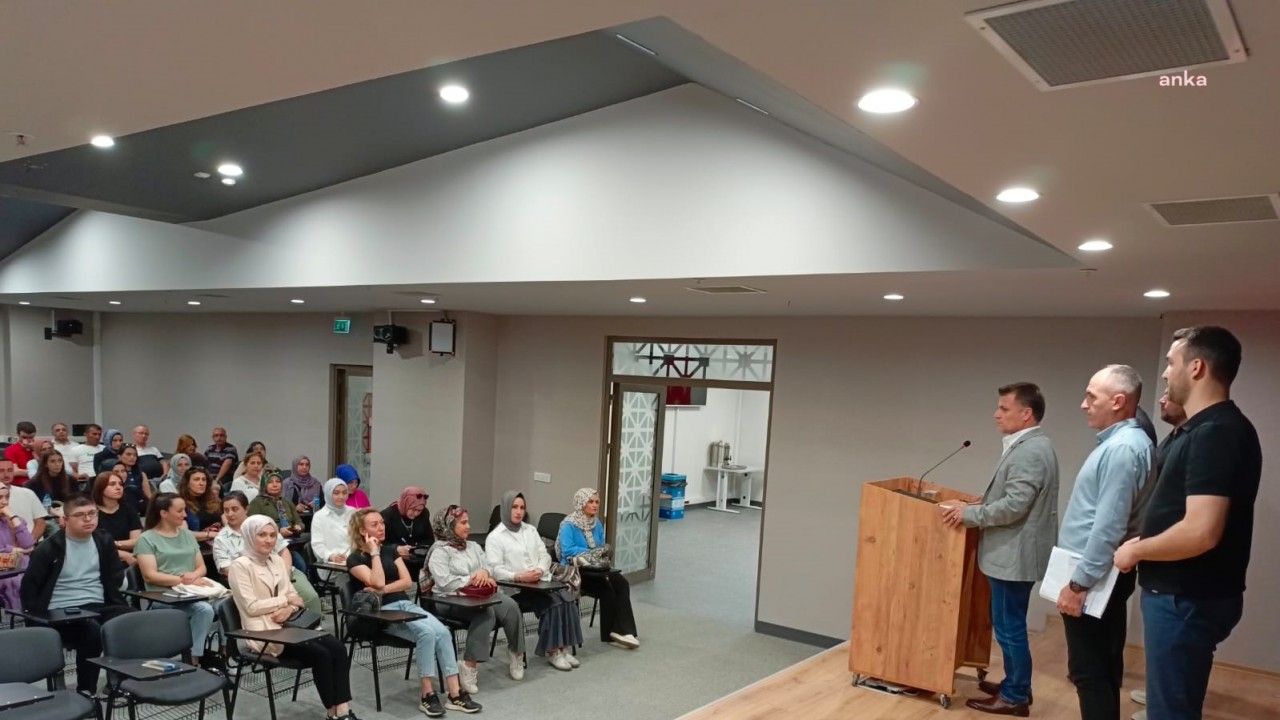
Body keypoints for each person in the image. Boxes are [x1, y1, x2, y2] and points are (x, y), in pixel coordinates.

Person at [1113, 327, 1261, 720]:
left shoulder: (1216, 432)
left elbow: (1201, 531)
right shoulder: (1198, 429)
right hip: (1183, 595)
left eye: (1171, 363)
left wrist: (1136, 551)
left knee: (1171, 712)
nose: (1165, 373)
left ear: (1196, 368)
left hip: (1185, 597)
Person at [939, 382, 1058, 716]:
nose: (996, 414)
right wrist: (979, 503)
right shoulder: (1031, 445)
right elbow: (1013, 498)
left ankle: (1016, 695)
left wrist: (969, 514)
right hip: (1013, 553)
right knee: (1008, 623)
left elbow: (1015, 507)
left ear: (1026, 414)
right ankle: (1015, 684)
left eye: (1004, 409)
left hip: (1013, 556)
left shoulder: (1030, 451)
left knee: (1009, 627)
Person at [1052, 365, 1154, 720]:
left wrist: (1078, 584)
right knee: (1104, 667)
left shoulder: (1122, 449)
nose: (1084, 404)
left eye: (1091, 397)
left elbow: (1108, 526)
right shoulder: (1128, 443)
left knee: (1089, 671)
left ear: (1118, 401)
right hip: (1104, 575)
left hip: (1095, 579)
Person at [347, 508, 480, 716]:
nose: (381, 527)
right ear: (362, 531)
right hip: (381, 613)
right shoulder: (355, 559)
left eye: (382, 523)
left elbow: (407, 582)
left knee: (443, 631)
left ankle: (455, 693)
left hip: (404, 604)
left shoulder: (390, 550)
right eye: (375, 525)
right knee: (426, 633)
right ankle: (427, 694)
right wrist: (374, 553)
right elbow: (377, 580)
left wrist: (383, 589)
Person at [228, 515, 358, 720]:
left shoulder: (277, 560)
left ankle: (342, 708)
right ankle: (333, 712)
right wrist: (284, 601)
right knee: (322, 655)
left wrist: (288, 608)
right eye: (262, 535)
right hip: (264, 632)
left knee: (338, 648)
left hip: (290, 623)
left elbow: (295, 597)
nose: (269, 540)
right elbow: (251, 607)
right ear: (250, 536)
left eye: (272, 535)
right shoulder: (240, 566)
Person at [18, 494, 135, 693]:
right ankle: (86, 690)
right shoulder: (48, 549)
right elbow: (29, 589)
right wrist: (36, 620)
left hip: (99, 603)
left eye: (92, 513)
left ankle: (117, 681)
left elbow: (115, 577)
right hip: (61, 611)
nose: (88, 519)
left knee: (130, 619)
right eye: (80, 515)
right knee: (91, 631)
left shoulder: (103, 541)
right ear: (65, 520)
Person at [425, 505, 525, 691]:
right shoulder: (439, 551)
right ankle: (469, 665)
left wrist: (484, 572)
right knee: (486, 613)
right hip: (449, 599)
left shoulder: (473, 546)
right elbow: (445, 583)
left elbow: (487, 566)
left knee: (511, 606)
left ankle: (516, 653)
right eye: (463, 523)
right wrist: (472, 578)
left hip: (479, 595)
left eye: (468, 522)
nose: (468, 526)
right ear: (449, 526)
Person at [485, 491, 583, 670]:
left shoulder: (530, 530)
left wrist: (540, 569)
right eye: (514, 507)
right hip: (515, 589)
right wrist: (518, 576)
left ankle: (563, 647)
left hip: (539, 582)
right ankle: (553, 651)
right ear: (506, 508)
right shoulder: (495, 537)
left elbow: (544, 555)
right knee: (553, 602)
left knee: (566, 596)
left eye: (522, 508)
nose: (518, 512)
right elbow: (494, 570)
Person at [135, 492, 219, 666]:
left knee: (227, 603)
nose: (185, 515)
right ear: (164, 513)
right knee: (204, 610)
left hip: (192, 592)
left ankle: (224, 653)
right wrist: (183, 580)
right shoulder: (146, 539)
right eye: (180, 511)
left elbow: (201, 567)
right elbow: (150, 575)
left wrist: (193, 576)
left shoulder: (187, 535)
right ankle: (194, 658)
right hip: (163, 596)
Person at [557, 487, 639, 649]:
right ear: (581, 503)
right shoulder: (568, 525)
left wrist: (598, 553)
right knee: (606, 586)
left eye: (597, 502)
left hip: (595, 567)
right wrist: (591, 553)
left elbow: (601, 547)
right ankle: (611, 633)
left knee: (621, 582)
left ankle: (625, 630)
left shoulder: (597, 524)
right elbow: (567, 550)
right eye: (590, 502)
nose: (595, 505)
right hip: (575, 570)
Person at [215, 493, 321, 614]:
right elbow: (227, 570)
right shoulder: (221, 539)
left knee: (310, 598)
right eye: (226, 510)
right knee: (275, 608)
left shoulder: (263, 523)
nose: (230, 514)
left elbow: (284, 551)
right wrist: (264, 578)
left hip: (283, 572)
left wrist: (284, 574)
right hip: (253, 581)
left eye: (235, 509)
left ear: (246, 509)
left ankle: (312, 623)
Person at [382, 486, 433, 579]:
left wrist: (418, 548)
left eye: (419, 510)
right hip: (395, 560)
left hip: (417, 559)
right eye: (413, 509)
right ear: (406, 503)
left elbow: (429, 539)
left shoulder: (424, 514)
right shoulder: (387, 516)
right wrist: (396, 548)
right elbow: (381, 543)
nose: (416, 513)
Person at [93, 471, 142, 567]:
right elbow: (95, 545)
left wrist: (113, 544)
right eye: (112, 484)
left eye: (120, 484)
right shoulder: (92, 513)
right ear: (100, 488)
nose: (118, 487)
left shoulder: (128, 509)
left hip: (131, 557)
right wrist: (122, 553)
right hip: (102, 559)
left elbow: (137, 541)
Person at [0, 481, 36, 607]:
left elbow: (28, 544)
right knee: (14, 579)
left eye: (7, 497)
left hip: (17, 567)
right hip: (5, 570)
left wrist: (13, 518)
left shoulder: (16, 520)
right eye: (0, 497)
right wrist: (13, 549)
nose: (5, 502)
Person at [310, 478, 356, 563]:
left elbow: (358, 539)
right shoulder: (319, 516)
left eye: (344, 493)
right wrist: (331, 556)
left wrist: (350, 556)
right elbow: (317, 544)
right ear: (328, 494)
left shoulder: (353, 512)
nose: (341, 497)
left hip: (353, 560)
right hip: (330, 563)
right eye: (336, 493)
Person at [248, 470, 303, 539]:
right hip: (270, 539)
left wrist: (298, 527)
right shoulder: (256, 503)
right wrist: (278, 530)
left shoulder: (287, 501)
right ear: (264, 485)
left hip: (293, 537)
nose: (275, 485)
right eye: (270, 482)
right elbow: (253, 526)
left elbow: (299, 521)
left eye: (278, 481)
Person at [180, 467, 223, 540]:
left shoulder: (214, 500)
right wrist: (210, 534)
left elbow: (226, 521)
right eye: (196, 479)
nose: (201, 483)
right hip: (197, 544)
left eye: (204, 479)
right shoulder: (181, 503)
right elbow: (184, 533)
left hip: (219, 541)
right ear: (187, 483)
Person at [114, 443, 153, 514]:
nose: (132, 457)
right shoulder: (115, 473)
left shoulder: (141, 474)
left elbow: (148, 495)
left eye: (135, 455)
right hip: (121, 507)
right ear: (119, 456)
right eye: (128, 454)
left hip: (140, 505)